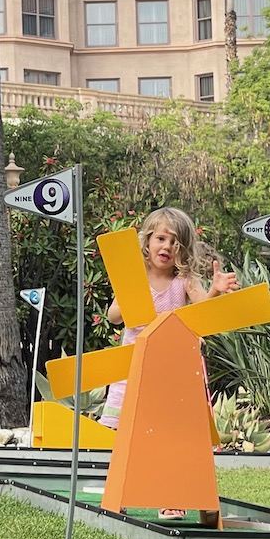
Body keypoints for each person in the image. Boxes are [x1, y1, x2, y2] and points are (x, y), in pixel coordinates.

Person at [97, 209, 238, 520]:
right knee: (130, 436)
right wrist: (128, 300)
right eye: (161, 238)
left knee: (172, 435)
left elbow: (203, 307)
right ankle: (120, 494)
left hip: (173, 370)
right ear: (147, 241)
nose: (167, 247)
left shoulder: (184, 281)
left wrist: (215, 289)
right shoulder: (135, 278)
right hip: (137, 367)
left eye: (176, 243)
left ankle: (171, 497)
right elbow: (113, 316)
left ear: (184, 250)